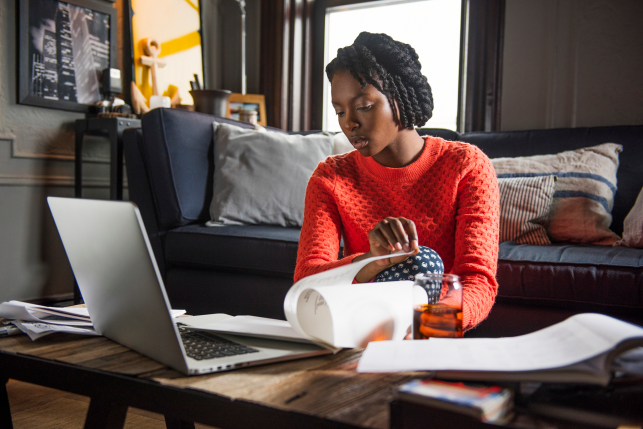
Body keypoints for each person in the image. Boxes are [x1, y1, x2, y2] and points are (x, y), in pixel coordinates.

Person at [293, 32, 499, 331]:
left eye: (363, 106)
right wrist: (372, 260)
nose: (349, 122)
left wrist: (427, 328)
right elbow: (308, 279)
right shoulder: (331, 176)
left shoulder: (466, 165)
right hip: (361, 324)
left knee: (423, 261)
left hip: (437, 326)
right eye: (340, 111)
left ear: (399, 98)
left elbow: (477, 281)